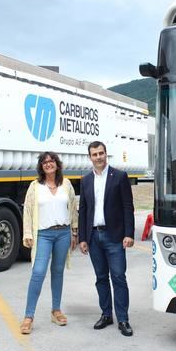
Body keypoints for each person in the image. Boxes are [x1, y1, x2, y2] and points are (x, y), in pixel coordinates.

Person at [78, 141, 135, 337]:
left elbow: (128, 206)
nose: (98, 157)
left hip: (115, 237)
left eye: (101, 153)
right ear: (90, 157)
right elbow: (83, 210)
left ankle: (123, 319)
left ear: (106, 154)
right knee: (101, 278)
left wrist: (129, 234)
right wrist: (83, 238)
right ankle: (106, 314)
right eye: (94, 154)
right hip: (94, 237)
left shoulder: (119, 177)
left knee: (118, 277)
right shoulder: (85, 180)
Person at [20, 152, 78, 335]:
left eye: (51, 161)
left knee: (58, 271)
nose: (48, 164)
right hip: (43, 234)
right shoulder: (35, 186)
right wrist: (27, 233)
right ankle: (29, 316)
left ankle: (56, 310)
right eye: (44, 162)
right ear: (41, 167)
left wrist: (74, 231)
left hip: (63, 233)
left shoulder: (66, 184)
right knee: (38, 272)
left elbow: (73, 209)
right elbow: (28, 211)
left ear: (57, 164)